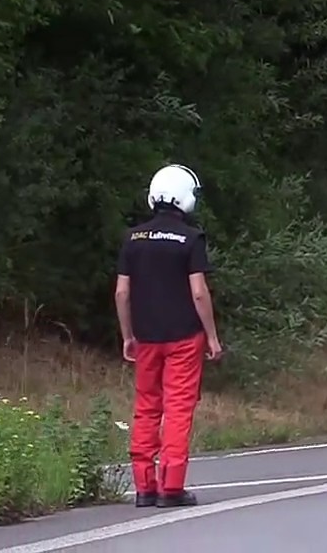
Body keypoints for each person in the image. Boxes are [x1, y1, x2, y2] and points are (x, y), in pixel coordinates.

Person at [114, 164, 223, 508]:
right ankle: (171, 487)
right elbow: (199, 292)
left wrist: (127, 334)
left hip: (146, 336)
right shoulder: (191, 239)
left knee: (146, 407)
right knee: (177, 407)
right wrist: (213, 338)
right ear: (185, 197)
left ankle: (144, 487)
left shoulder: (133, 238)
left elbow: (121, 293)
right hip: (184, 337)